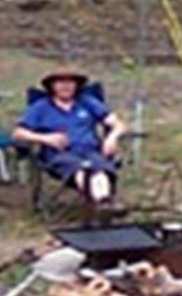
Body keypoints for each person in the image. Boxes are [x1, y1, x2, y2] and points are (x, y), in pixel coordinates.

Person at [14, 67, 126, 206]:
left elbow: (118, 124)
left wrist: (112, 137)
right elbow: (19, 133)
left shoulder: (87, 101)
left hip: (91, 151)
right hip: (59, 154)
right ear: (52, 86)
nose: (66, 86)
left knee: (99, 168)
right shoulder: (40, 107)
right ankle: (101, 203)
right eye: (60, 82)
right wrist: (45, 138)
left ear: (76, 85)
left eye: (70, 82)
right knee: (81, 170)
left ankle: (103, 202)